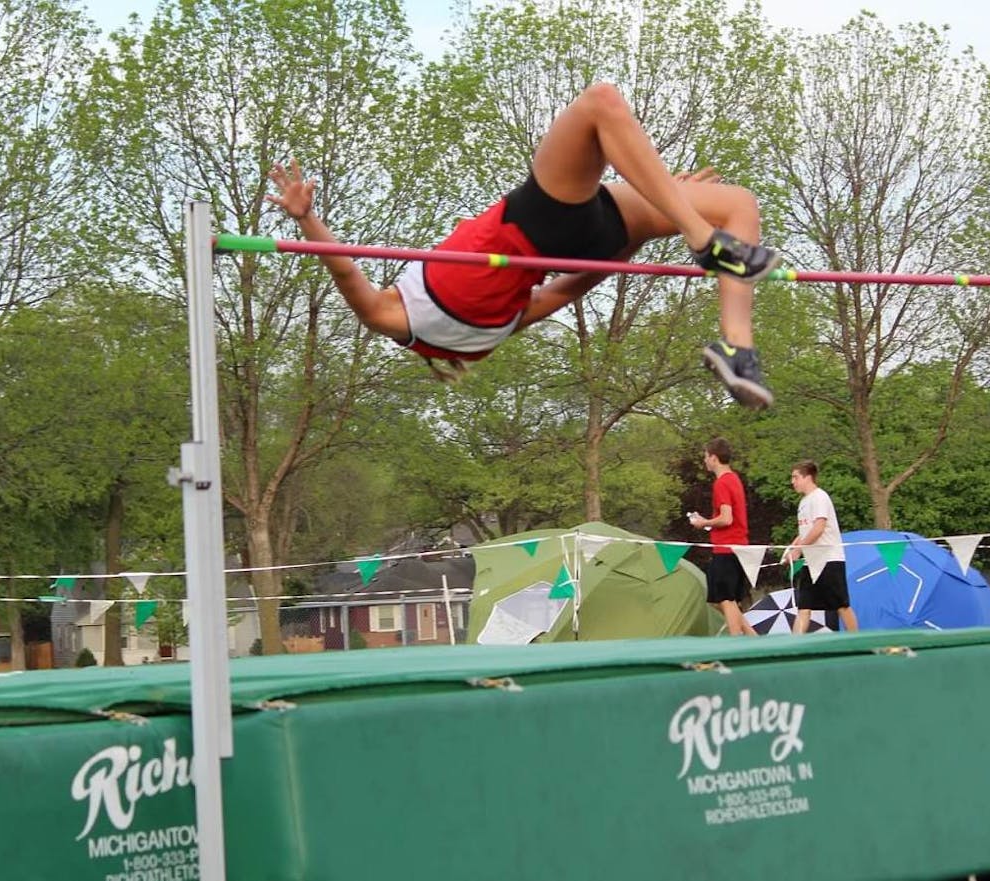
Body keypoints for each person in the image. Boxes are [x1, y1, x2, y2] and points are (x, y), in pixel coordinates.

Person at [265, 82, 779, 408]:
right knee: (601, 103)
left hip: (591, 240)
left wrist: (648, 220)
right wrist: (308, 220)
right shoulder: (398, 320)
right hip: (542, 220)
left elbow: (570, 289)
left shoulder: (490, 335)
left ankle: (739, 349)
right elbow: (346, 274)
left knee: (735, 204)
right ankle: (701, 242)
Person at [687, 438, 759, 636]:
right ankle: (752, 636)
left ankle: (736, 641)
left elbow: (727, 519)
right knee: (720, 600)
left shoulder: (722, 483)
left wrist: (703, 523)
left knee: (726, 600)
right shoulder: (734, 479)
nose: (704, 461)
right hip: (737, 547)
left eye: (706, 457)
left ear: (714, 458)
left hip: (727, 548)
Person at [783, 460, 858, 633]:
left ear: (807, 477)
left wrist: (799, 549)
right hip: (812, 562)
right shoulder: (803, 503)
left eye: (795, 477)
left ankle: (856, 641)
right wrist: (791, 548)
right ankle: (794, 648)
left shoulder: (820, 497)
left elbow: (819, 528)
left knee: (842, 605)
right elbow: (805, 531)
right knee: (804, 607)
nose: (792, 482)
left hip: (829, 559)